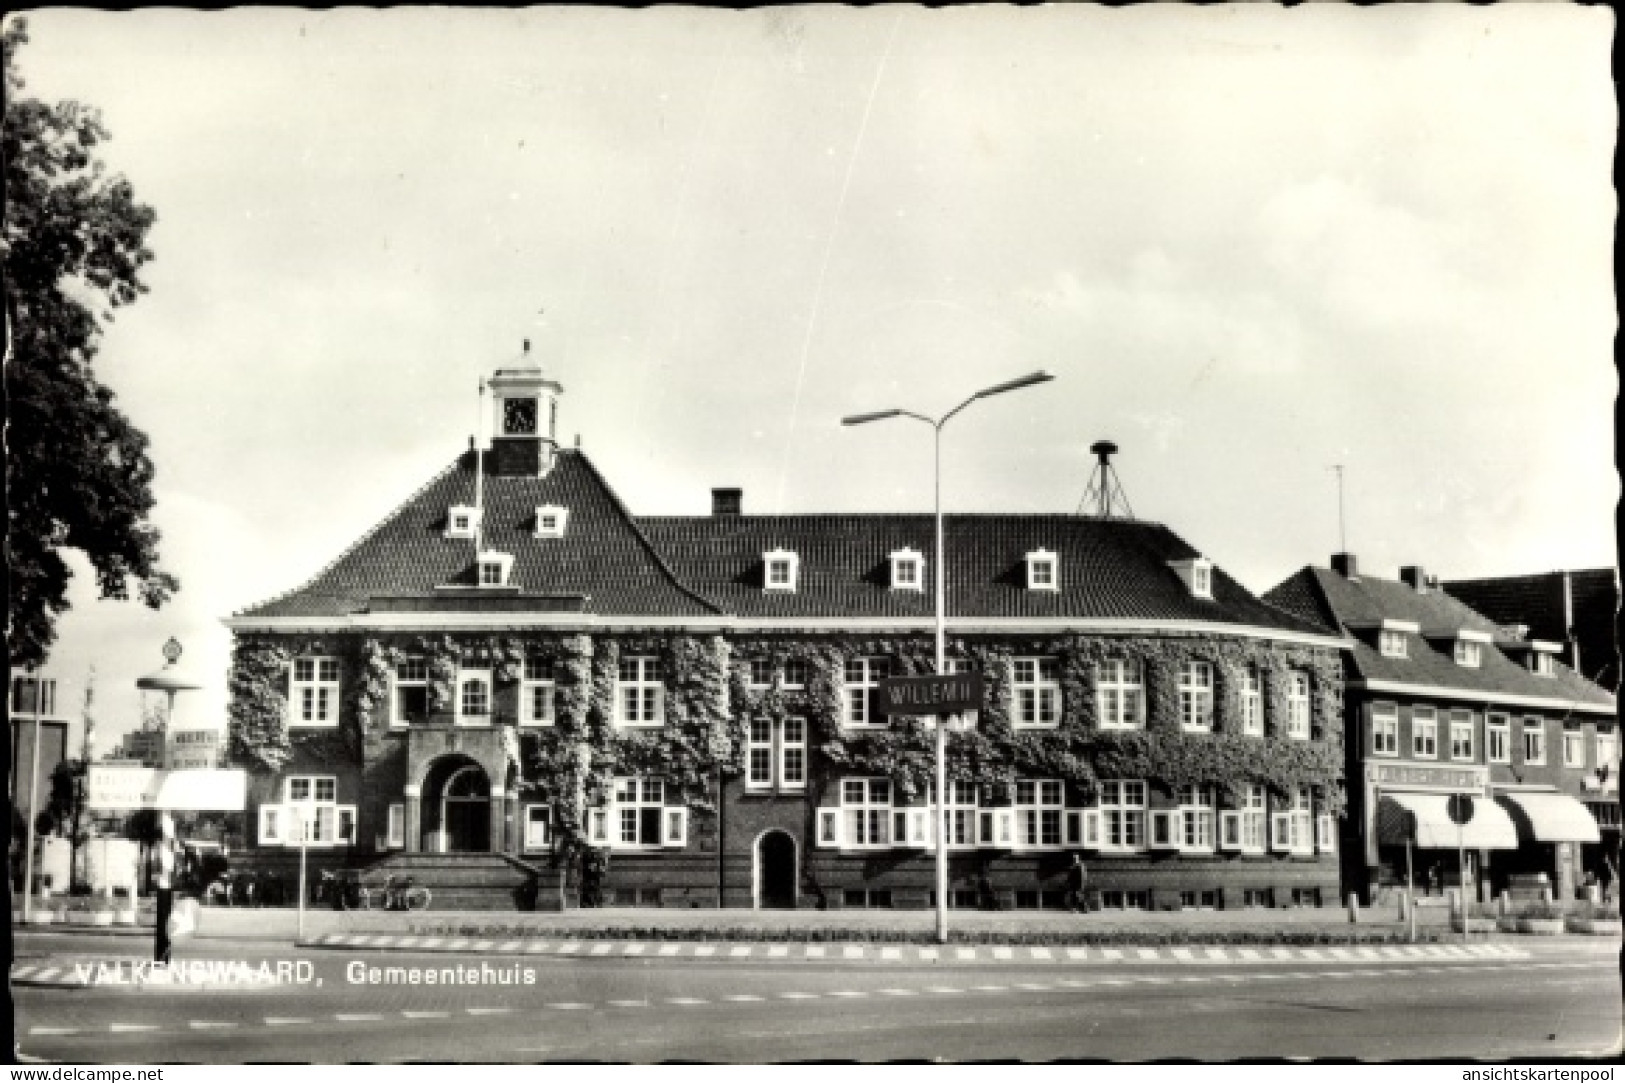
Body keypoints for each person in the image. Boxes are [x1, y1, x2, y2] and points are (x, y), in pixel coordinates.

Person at [151, 813, 183, 965]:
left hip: (167, 882)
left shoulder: (168, 844)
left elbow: (173, 860)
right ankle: (162, 957)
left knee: (165, 920)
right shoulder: (161, 846)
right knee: (164, 920)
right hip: (165, 882)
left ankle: (163, 956)